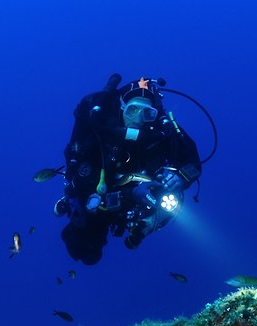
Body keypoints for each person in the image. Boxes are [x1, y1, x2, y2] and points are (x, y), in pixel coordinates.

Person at [56, 74, 203, 265]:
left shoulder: (161, 132)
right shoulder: (100, 132)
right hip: (97, 199)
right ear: (121, 108)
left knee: (163, 209)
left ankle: (142, 228)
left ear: (154, 114)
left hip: (139, 201)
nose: (138, 119)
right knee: (83, 250)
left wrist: (182, 177)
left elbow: (193, 161)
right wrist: (130, 193)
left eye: (147, 113)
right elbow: (84, 184)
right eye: (132, 110)